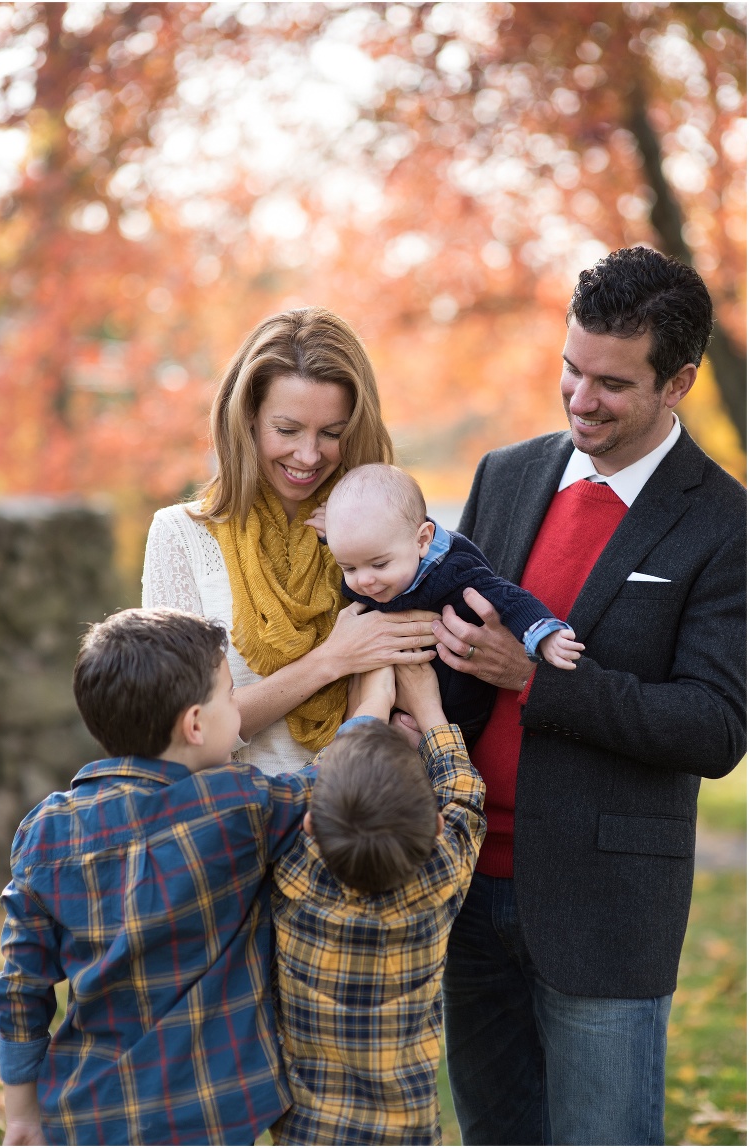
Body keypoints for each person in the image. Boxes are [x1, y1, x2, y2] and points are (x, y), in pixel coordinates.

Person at [427, 246, 747, 1146]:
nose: (579, 397)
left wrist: (538, 681)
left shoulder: (725, 524)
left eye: (611, 382)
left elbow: (715, 725)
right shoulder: (507, 474)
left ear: (678, 382)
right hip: (469, 887)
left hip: (604, 909)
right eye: (570, 368)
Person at [0, 607, 321, 1147]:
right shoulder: (234, 805)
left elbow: (21, 987)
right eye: (231, 697)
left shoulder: (45, 831)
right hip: (209, 1114)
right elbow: (330, 782)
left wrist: (24, 1115)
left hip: (86, 1113)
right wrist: (374, 695)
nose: (238, 709)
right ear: (195, 724)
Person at [142, 307, 437, 775]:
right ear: (248, 418)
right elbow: (175, 732)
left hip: (354, 826)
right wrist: (332, 660)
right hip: (228, 829)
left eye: (332, 433)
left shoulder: (386, 532)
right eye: (287, 430)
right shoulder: (181, 536)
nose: (308, 454)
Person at [270, 661, 486, 1146]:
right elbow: (464, 797)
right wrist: (428, 708)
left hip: (306, 1133)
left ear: (310, 828)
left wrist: (367, 710)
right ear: (433, 828)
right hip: (406, 1134)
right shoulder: (438, 877)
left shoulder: (292, 874)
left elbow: (294, 792)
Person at [314, 462, 582, 748]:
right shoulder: (380, 548)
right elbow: (363, 542)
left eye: (379, 564)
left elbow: (507, 597)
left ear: (423, 540)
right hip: (393, 703)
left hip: (455, 715)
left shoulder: (455, 571)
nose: (365, 581)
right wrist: (332, 532)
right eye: (349, 568)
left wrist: (543, 634)